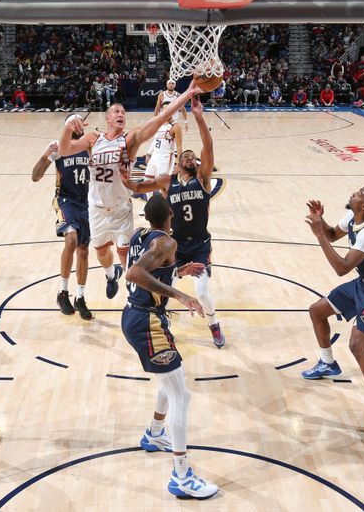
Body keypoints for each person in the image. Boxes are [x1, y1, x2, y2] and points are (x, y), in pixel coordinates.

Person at [59, 81, 202, 300]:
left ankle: (134, 299)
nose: (120, 114)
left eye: (123, 112)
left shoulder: (129, 140)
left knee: (125, 257)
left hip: (121, 209)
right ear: (107, 118)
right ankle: (110, 274)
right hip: (96, 209)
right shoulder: (92, 139)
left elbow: (160, 119)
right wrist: (68, 127)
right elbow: (64, 149)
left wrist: (188, 93)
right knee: (102, 253)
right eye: (116, 111)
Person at [122, 195, 219, 500]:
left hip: (139, 316)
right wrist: (180, 294)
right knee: (182, 394)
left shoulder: (140, 235)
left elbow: (149, 269)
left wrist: (178, 271)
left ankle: (153, 433)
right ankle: (182, 476)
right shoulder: (166, 243)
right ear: (171, 215)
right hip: (146, 322)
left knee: (170, 378)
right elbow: (135, 274)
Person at [120, 97, 225, 347]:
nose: (190, 158)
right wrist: (124, 179)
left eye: (192, 157)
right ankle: (155, 318)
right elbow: (137, 186)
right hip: (174, 244)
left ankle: (214, 325)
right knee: (160, 284)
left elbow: (207, 147)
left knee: (202, 292)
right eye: (185, 156)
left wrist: (199, 118)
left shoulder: (202, 179)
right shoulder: (167, 181)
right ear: (178, 164)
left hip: (200, 245)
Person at [301, 184, 364, 443]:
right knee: (317, 312)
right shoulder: (352, 218)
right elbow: (333, 235)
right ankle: (328, 362)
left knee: (358, 345)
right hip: (363, 284)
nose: (354, 193)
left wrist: (318, 235)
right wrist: (320, 222)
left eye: (359, 193)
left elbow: (342, 267)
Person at [31, 133, 93, 319]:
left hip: (86, 203)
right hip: (65, 200)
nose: (78, 125)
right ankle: (62, 292)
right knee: (71, 240)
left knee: (83, 251)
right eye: (73, 122)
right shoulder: (58, 146)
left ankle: (80, 297)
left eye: (80, 122)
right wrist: (45, 156)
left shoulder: (89, 145)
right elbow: (35, 176)